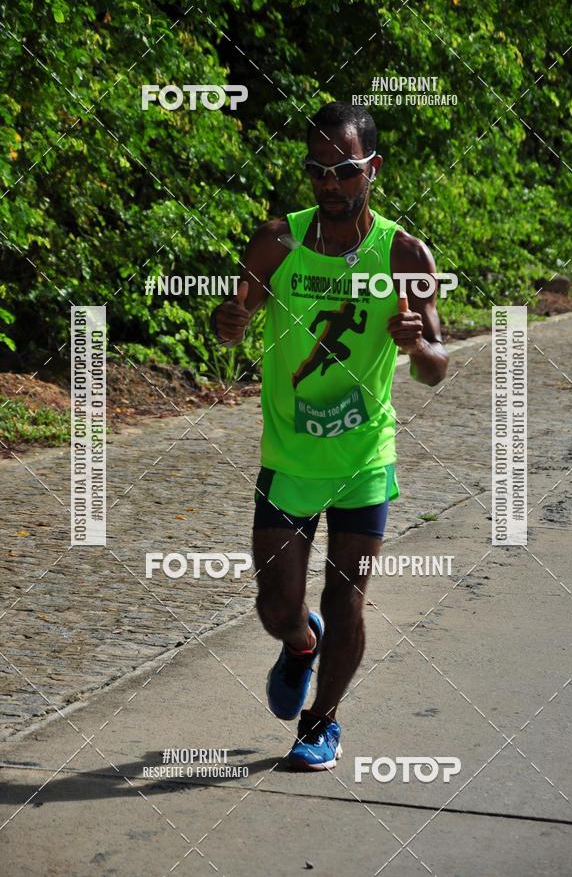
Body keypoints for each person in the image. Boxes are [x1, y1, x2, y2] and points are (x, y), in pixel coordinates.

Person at [211, 101, 448, 770]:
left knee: (346, 597)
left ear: (372, 167)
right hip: (289, 452)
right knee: (277, 605)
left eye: (344, 171)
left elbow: (437, 364)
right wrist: (226, 323)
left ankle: (322, 721)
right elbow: (233, 312)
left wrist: (417, 347)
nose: (330, 185)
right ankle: (297, 644)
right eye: (317, 172)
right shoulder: (277, 242)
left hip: (364, 454)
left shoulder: (403, 253)